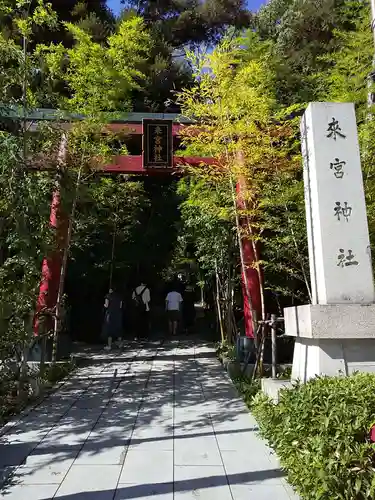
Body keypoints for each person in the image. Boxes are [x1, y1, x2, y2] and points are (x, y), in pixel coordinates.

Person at [102, 287, 123, 351]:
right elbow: (120, 306)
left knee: (109, 329)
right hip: (118, 314)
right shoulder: (119, 296)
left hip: (110, 314)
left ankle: (109, 345)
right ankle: (119, 344)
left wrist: (104, 305)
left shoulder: (108, 296)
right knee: (118, 328)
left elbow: (106, 305)